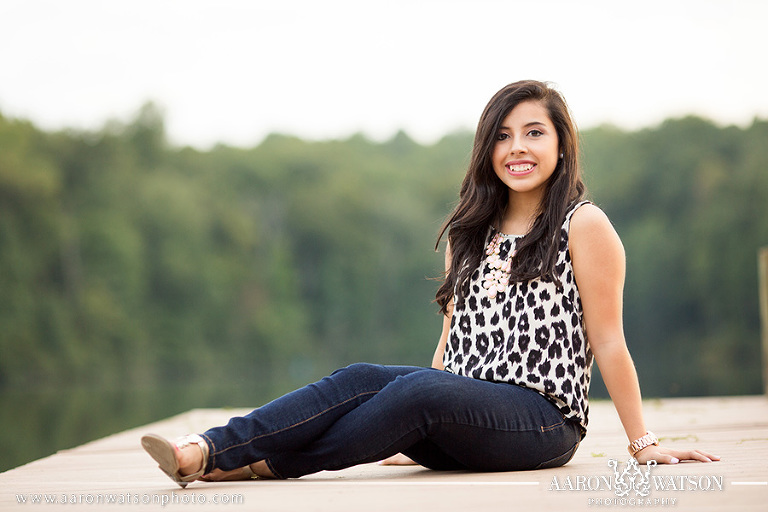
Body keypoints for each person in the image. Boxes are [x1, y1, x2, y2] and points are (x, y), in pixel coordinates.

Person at [141, 80, 719, 487]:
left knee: (420, 392)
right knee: (363, 377)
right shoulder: (470, 232)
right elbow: (450, 345)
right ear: (486, 148)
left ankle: (255, 461)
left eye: (534, 133)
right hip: (454, 414)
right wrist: (398, 427)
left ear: (561, 144)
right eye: (503, 135)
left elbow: (610, 340)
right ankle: (213, 446)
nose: (517, 147)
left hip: (541, 422)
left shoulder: (583, 224)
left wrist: (644, 444)